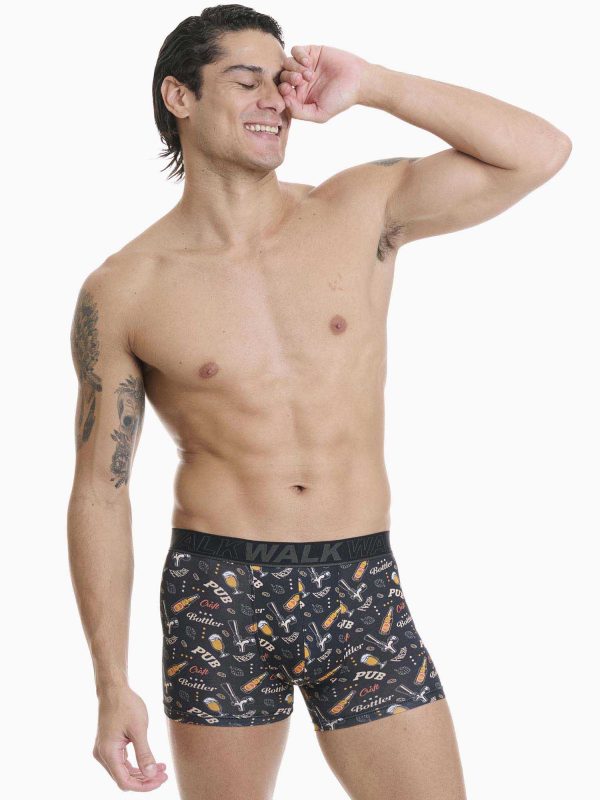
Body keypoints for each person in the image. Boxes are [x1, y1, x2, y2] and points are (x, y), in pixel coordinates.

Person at [67, 5, 571, 798]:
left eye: (281, 80)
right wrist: (109, 685)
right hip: (218, 593)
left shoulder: (359, 209)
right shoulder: (125, 288)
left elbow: (540, 152)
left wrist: (372, 83)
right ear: (180, 96)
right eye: (246, 81)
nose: (275, 99)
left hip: (357, 578)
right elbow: (100, 491)